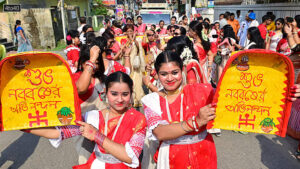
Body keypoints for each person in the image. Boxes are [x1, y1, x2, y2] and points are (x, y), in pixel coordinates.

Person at [27, 71, 147, 169]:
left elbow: (130, 156)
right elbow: (58, 132)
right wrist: (22, 126)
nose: (120, 99)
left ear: (131, 93)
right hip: (97, 165)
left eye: (125, 94)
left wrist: (97, 136)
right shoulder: (94, 117)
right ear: (105, 93)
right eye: (114, 94)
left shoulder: (138, 119)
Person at [141, 50, 217, 169]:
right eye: (164, 74)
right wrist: (196, 122)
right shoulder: (152, 100)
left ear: (183, 70)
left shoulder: (202, 91)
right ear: (157, 74)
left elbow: (228, 99)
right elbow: (160, 132)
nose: (170, 78)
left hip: (204, 153)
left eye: (175, 72)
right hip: (171, 158)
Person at [120, 24, 146, 108]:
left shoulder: (138, 39)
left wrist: (133, 39)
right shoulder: (123, 40)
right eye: (128, 31)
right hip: (127, 63)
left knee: (137, 81)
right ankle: (131, 100)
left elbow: (139, 49)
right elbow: (122, 51)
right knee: (129, 81)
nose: (129, 32)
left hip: (136, 64)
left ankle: (138, 99)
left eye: (131, 31)